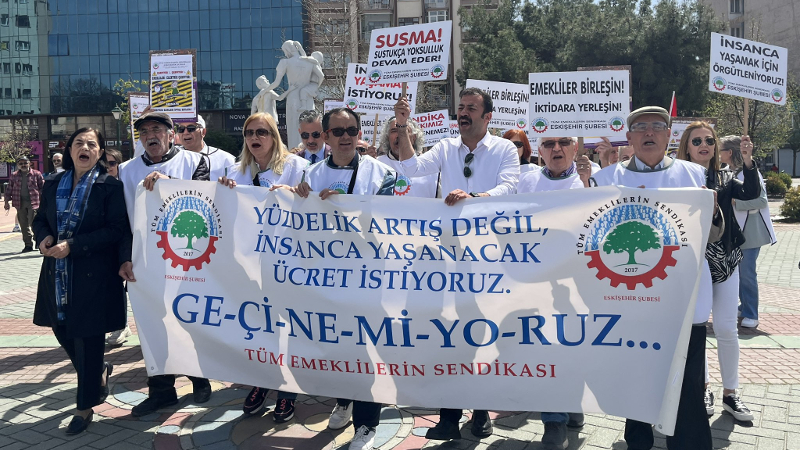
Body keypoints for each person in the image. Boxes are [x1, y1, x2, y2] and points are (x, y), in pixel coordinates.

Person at [589, 106, 722, 450]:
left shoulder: (694, 174)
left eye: (657, 126)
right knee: (636, 376)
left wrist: (713, 212)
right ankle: (638, 439)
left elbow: (715, 235)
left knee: (687, 380)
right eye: (641, 127)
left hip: (682, 295)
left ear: (668, 135)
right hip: (630, 295)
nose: (649, 132)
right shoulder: (606, 179)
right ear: (629, 137)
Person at [394, 88, 519, 440]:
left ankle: (480, 411)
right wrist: (402, 126)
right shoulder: (445, 148)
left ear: (487, 116)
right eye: (461, 107)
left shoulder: (504, 149)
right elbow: (411, 167)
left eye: (471, 108)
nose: (463, 113)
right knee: (448, 332)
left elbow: (511, 187)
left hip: (487, 254)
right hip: (447, 254)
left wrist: (474, 198)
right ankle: (449, 416)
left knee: (480, 330)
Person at [282, 107, 396, 450]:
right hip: (326, 281)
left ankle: (366, 424)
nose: (346, 136)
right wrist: (294, 199)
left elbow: (388, 222)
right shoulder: (311, 174)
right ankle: (344, 400)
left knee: (365, 348)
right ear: (326, 136)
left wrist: (346, 206)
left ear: (359, 133)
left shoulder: (382, 173)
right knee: (336, 345)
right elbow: (297, 225)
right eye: (338, 131)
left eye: (351, 130)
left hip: (367, 279)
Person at [32, 128, 128, 435]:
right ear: (70, 150)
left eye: (91, 144)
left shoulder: (109, 186)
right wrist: (44, 237)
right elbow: (40, 219)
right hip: (56, 274)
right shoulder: (52, 182)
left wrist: (74, 245)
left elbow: (116, 229)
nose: (84, 148)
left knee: (87, 341)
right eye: (78, 143)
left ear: (99, 152)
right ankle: (98, 371)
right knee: (61, 330)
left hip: (94, 275)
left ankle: (84, 407)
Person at [117, 111, 213, 417]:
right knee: (152, 326)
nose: (151, 136)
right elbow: (120, 220)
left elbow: (204, 201)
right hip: (145, 262)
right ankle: (161, 391)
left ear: (171, 134)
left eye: (157, 129)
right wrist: (124, 257)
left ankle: (199, 377)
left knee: (189, 319)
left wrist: (170, 183)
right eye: (144, 132)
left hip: (187, 257)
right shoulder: (126, 170)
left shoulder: (194, 162)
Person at [216, 112, 308, 421]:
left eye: (262, 132)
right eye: (249, 133)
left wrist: (296, 194)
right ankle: (263, 380)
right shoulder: (235, 171)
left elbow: (312, 207)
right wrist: (222, 189)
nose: (255, 138)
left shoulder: (296, 167)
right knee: (260, 326)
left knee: (289, 328)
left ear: (274, 136)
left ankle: (287, 391)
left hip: (288, 264)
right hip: (251, 265)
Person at [676, 122, 760, 422]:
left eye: (709, 140)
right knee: (697, 328)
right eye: (697, 140)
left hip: (725, 259)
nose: (704, 145)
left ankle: (731, 393)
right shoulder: (677, 179)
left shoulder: (725, 177)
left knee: (726, 328)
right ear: (686, 146)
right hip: (691, 262)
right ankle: (703, 388)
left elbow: (751, 192)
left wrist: (748, 161)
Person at [719, 136, 776, 329]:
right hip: (736, 230)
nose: (718, 153)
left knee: (747, 273)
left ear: (730, 152)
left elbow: (762, 201)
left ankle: (751, 313)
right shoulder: (728, 172)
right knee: (739, 272)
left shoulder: (750, 173)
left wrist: (735, 202)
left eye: (721, 149)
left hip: (751, 232)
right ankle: (744, 307)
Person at [102, 148, 133, 346]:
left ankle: (122, 325)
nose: (108, 167)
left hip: (129, 240)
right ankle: (120, 325)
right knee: (112, 285)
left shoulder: (126, 185)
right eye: (104, 163)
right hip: (107, 241)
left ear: (119, 165)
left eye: (112, 163)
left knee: (128, 284)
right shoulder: (98, 185)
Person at [376, 116, 438, 198]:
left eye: (405, 130)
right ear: (388, 137)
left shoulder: (429, 165)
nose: (399, 135)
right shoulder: (377, 165)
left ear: (414, 137)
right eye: (394, 131)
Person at [4, 156, 45, 253]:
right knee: (23, 225)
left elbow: (43, 187)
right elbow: (9, 189)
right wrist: (6, 202)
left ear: (29, 163)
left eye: (25, 163)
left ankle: (38, 241)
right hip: (19, 203)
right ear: (18, 165)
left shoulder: (36, 174)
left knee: (33, 223)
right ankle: (28, 245)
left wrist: (44, 201)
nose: (23, 165)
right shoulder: (14, 175)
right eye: (21, 163)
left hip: (33, 202)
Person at [176, 115, 235, 181]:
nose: (185, 132)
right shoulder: (171, 157)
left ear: (203, 132)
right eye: (181, 129)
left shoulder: (225, 160)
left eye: (191, 128)